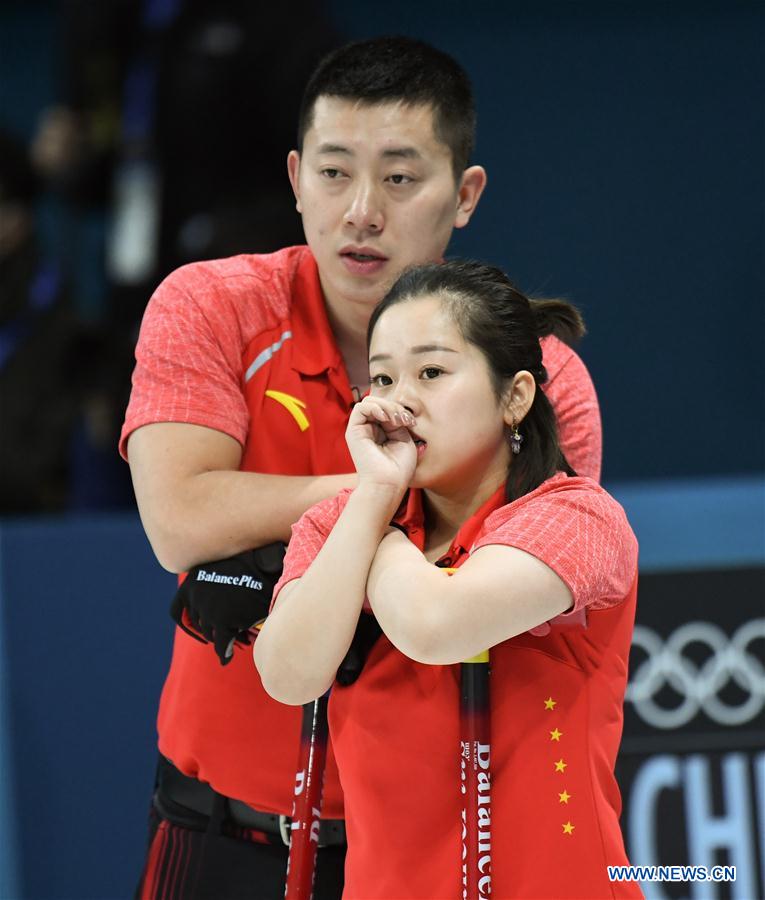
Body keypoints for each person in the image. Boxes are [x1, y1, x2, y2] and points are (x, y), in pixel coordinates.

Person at [120, 37, 603, 899]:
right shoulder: (210, 306)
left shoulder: (538, 372)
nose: (361, 213)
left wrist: (321, 530)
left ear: (465, 195)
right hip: (222, 826)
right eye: (336, 173)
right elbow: (180, 521)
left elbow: (489, 595)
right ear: (297, 177)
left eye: (400, 178)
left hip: (433, 852)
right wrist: (379, 498)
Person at [255, 260, 640, 899]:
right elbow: (288, 675)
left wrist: (372, 531)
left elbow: (435, 626)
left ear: (514, 396)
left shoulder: (577, 517)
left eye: (431, 372)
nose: (398, 399)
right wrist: (376, 497)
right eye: (381, 376)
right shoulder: (336, 525)